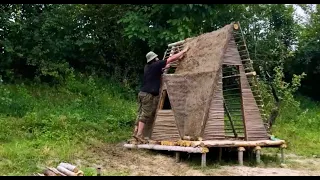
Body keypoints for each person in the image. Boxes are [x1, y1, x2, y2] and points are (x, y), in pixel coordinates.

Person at [132, 46, 189, 143]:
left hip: (142, 93)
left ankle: (135, 132)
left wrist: (165, 68)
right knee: (145, 114)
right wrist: (184, 51)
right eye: (156, 58)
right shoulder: (156, 64)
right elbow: (170, 59)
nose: (158, 59)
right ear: (154, 59)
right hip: (148, 95)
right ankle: (139, 135)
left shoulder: (148, 67)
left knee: (140, 112)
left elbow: (159, 71)